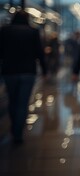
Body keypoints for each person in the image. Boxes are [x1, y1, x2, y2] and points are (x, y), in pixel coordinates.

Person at [0, 10, 47, 144]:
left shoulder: (5, 31)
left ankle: (14, 125)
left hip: (9, 71)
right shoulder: (32, 32)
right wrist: (44, 70)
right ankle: (18, 132)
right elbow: (39, 52)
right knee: (22, 102)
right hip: (28, 71)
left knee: (12, 100)